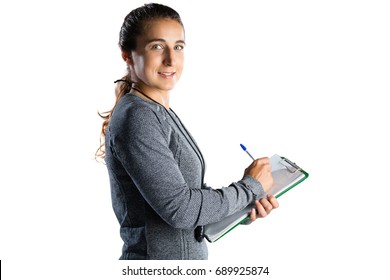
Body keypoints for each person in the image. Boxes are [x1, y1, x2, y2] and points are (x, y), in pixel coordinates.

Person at [96, 3, 279, 260]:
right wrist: (249, 188)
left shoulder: (158, 112)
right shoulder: (138, 116)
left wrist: (245, 205)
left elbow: (190, 203)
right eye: (157, 46)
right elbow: (180, 210)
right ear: (127, 54)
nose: (171, 59)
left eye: (178, 47)